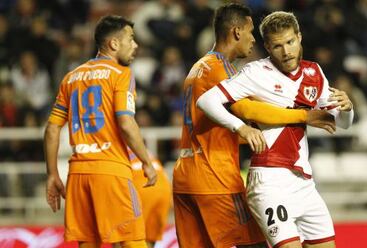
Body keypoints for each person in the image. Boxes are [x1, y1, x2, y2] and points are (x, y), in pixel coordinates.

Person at [173, 4, 336, 248]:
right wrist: (303, 116)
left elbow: (212, 125)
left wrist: (252, 133)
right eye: (250, 33)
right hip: (214, 175)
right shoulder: (221, 70)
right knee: (255, 244)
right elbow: (246, 110)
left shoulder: (198, 67)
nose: (253, 40)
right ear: (237, 32)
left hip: (184, 173)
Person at [44, 15, 157, 248]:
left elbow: (52, 128)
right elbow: (126, 123)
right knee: (133, 240)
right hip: (111, 171)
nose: (135, 45)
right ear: (114, 44)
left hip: (77, 175)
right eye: (131, 39)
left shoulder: (71, 78)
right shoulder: (121, 74)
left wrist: (52, 174)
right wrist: (146, 161)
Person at [129, 151, 172, 248]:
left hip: (140, 186)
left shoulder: (113, 146)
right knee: (149, 239)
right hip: (163, 187)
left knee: (124, 238)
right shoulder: (144, 149)